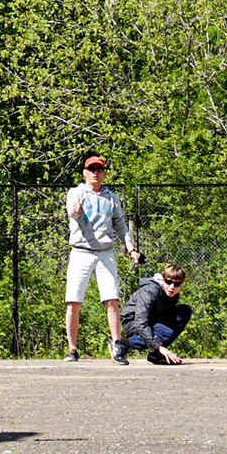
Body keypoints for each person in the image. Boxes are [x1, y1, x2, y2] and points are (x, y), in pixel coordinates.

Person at [62, 154, 139, 362]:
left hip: (106, 252)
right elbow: (72, 211)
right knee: (73, 302)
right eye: (91, 169)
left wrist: (131, 248)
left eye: (99, 169)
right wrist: (75, 211)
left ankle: (117, 345)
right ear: (84, 172)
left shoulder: (111, 198)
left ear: (104, 173)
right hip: (81, 251)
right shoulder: (76, 193)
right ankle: (72, 348)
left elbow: (120, 225)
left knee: (112, 300)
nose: (95, 173)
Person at [118, 262, 192, 365]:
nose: (172, 287)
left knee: (184, 310)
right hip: (133, 322)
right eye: (168, 282)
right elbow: (140, 322)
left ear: (181, 285)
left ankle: (154, 356)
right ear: (163, 280)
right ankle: (122, 344)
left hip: (151, 319)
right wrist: (159, 347)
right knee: (166, 333)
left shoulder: (173, 296)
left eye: (176, 284)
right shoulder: (150, 291)